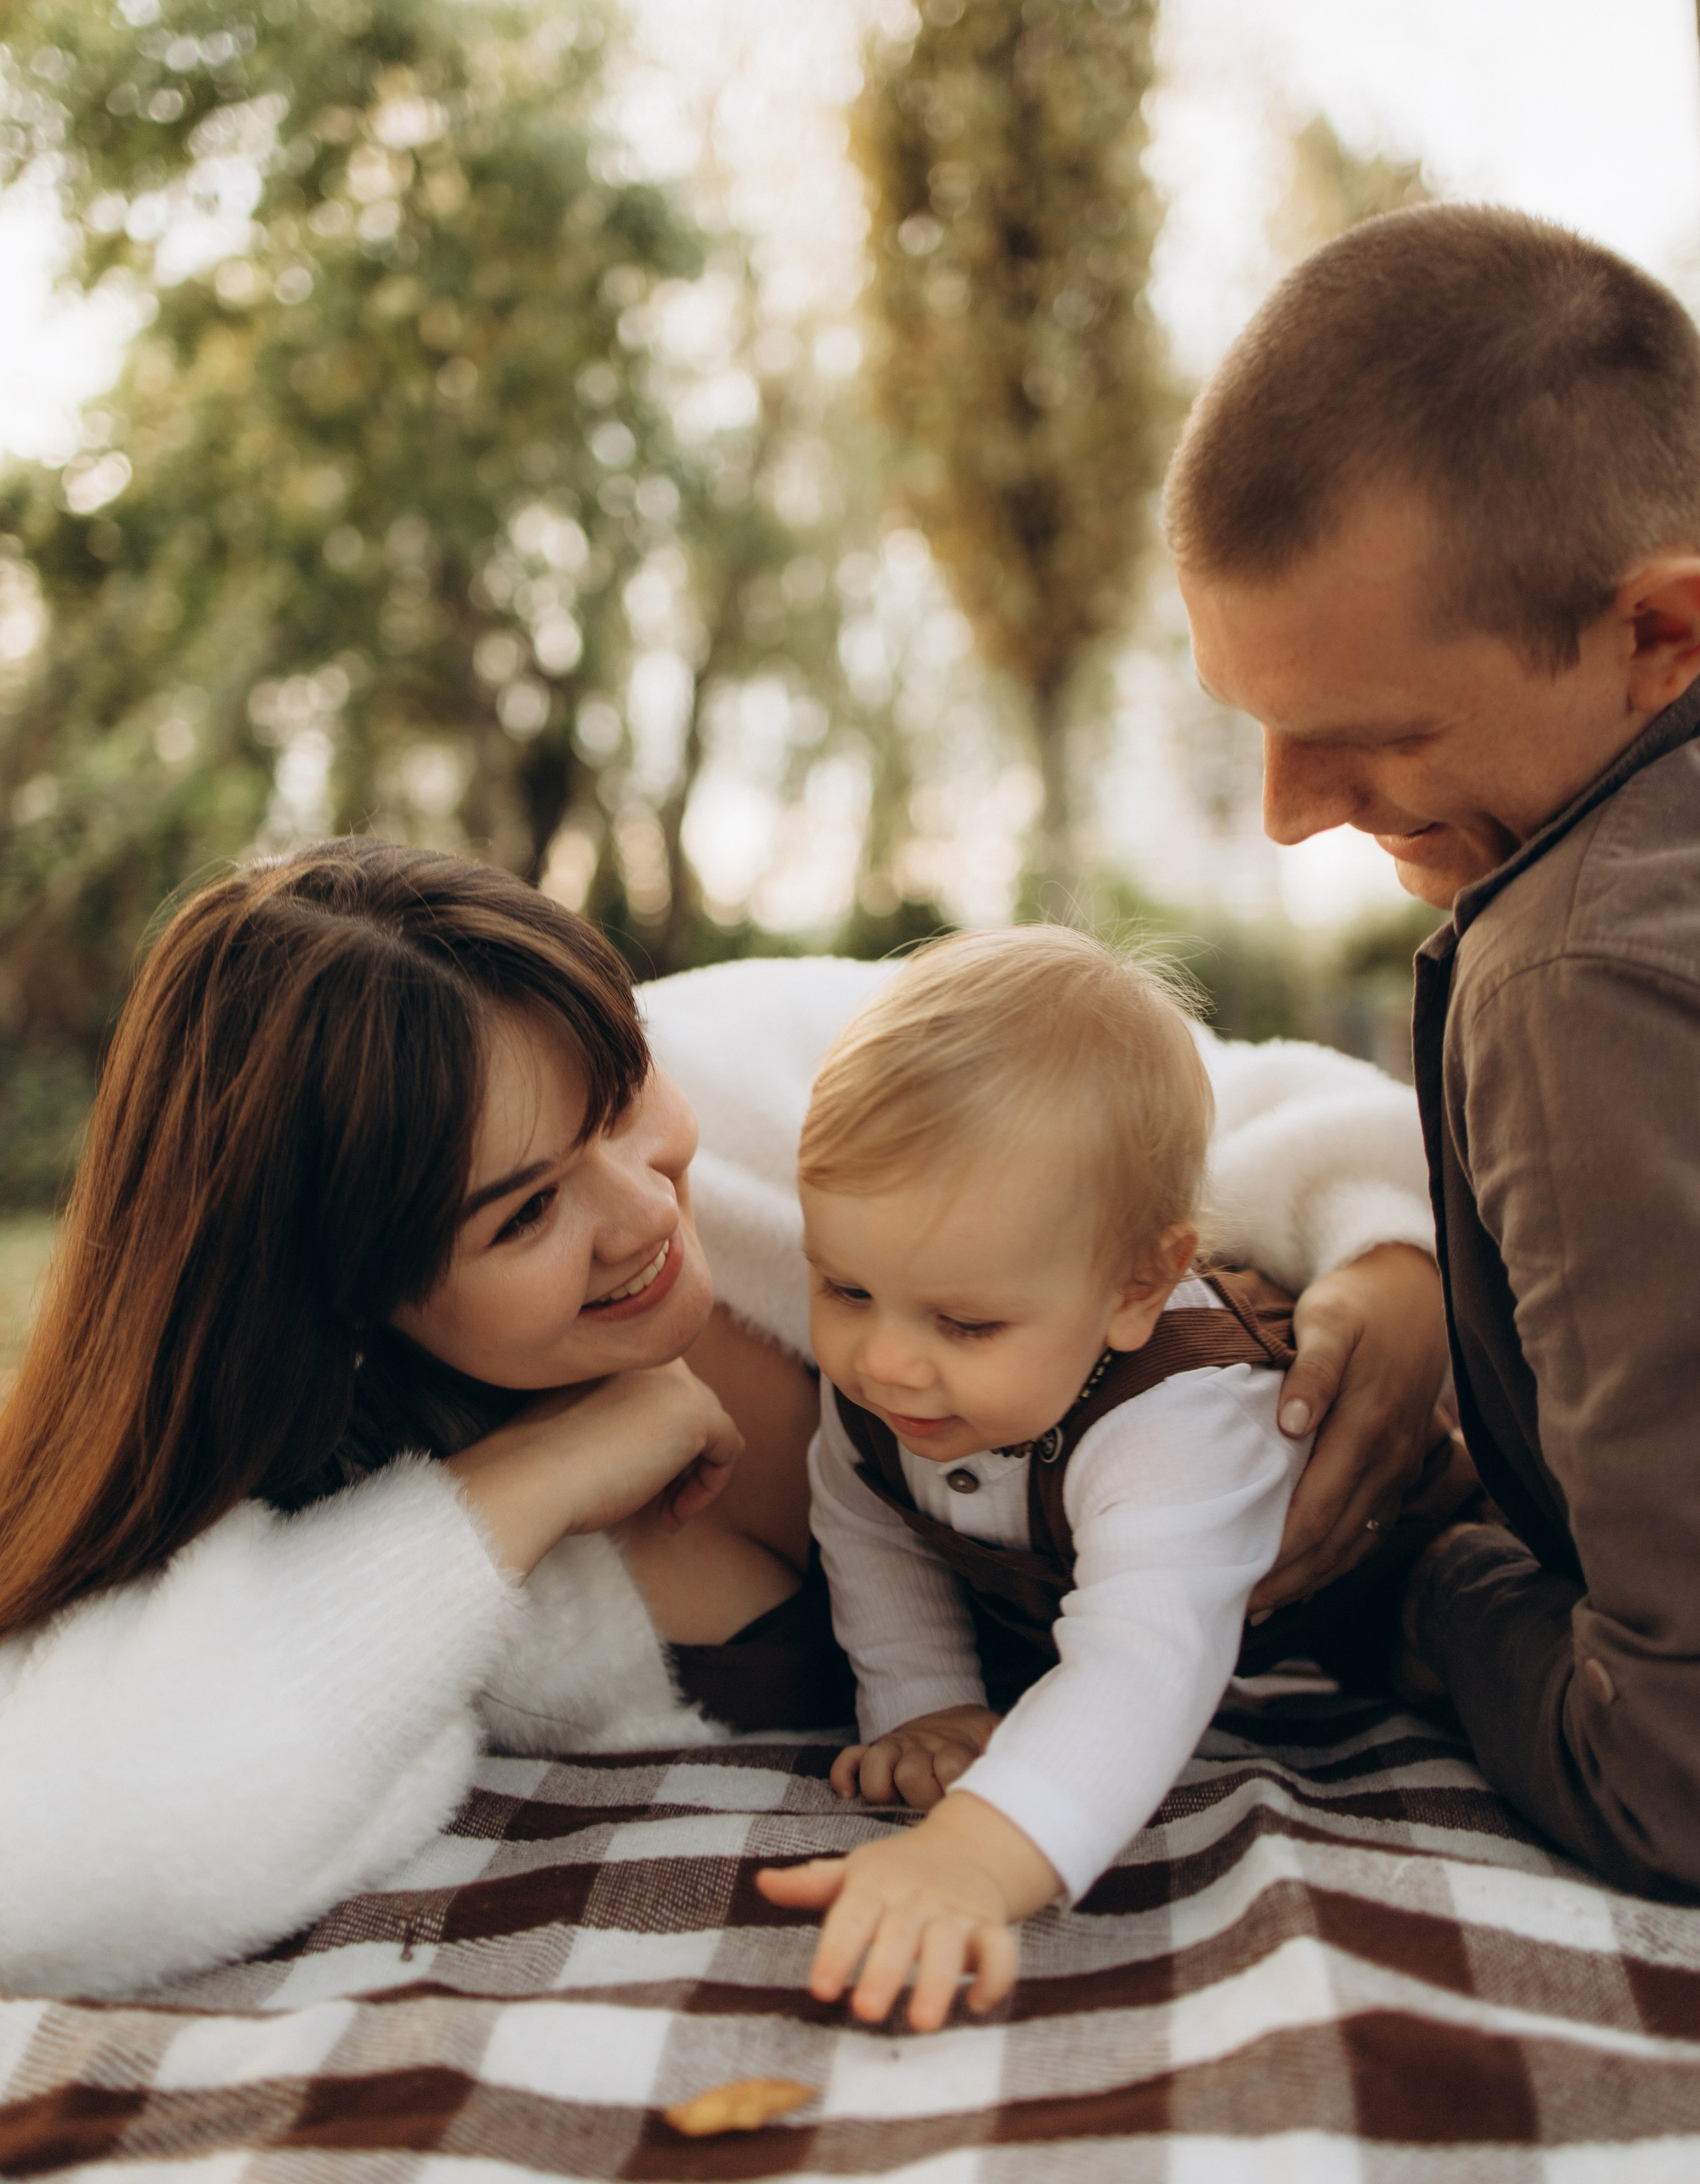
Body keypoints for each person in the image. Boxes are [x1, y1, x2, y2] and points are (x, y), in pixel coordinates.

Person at [0, 839, 1443, 1997]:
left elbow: (1229, 1097)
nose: (645, 1211)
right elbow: (50, 1858)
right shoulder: (365, 1498)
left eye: (623, 1092)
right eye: (523, 1212)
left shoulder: (797, 1069)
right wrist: (527, 1485)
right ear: (355, 1298)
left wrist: (1386, 1251)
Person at [1164, 201, 1700, 1899]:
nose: (1287, 814)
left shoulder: (1575, 973)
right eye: (1257, 727)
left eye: (1370, 738)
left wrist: (1423, 1566)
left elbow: (1677, 1776)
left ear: (1657, 634)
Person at [757, 926, 1316, 2032]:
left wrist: (980, 1856)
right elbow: (866, 1519)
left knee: (1455, 1615)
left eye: (966, 1322)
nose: (885, 1362)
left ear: (1137, 1284)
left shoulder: (1178, 1418)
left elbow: (1144, 1663)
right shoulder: (884, 1382)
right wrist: (924, 1705)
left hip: (1375, 1570)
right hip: (1134, 1596)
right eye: (844, 1287)